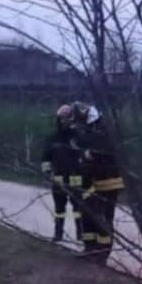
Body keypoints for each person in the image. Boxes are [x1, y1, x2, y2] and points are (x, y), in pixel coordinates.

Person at [73, 102, 123, 265]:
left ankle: (102, 254)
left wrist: (88, 153)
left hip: (108, 181)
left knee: (104, 218)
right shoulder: (90, 128)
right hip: (91, 181)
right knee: (87, 215)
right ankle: (90, 248)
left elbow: (105, 150)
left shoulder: (104, 127)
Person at [40, 104, 82, 242]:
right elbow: (46, 157)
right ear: (58, 120)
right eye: (62, 119)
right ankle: (58, 234)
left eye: (68, 118)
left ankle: (80, 235)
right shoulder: (52, 138)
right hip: (58, 177)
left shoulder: (78, 137)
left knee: (78, 207)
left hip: (76, 177)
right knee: (59, 208)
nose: (65, 121)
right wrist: (47, 172)